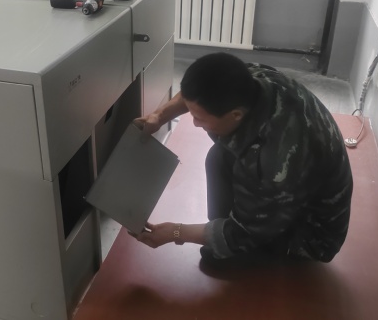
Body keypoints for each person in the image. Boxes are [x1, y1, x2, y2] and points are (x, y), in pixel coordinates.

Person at [132, 52, 353, 263]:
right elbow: (194, 96)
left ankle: (260, 242)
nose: (195, 123)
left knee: (214, 257)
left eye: (200, 118)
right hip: (291, 187)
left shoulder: (276, 163)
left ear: (235, 114)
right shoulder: (250, 79)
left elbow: (243, 233)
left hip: (310, 233)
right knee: (217, 157)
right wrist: (159, 116)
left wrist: (176, 232)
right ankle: (225, 220)